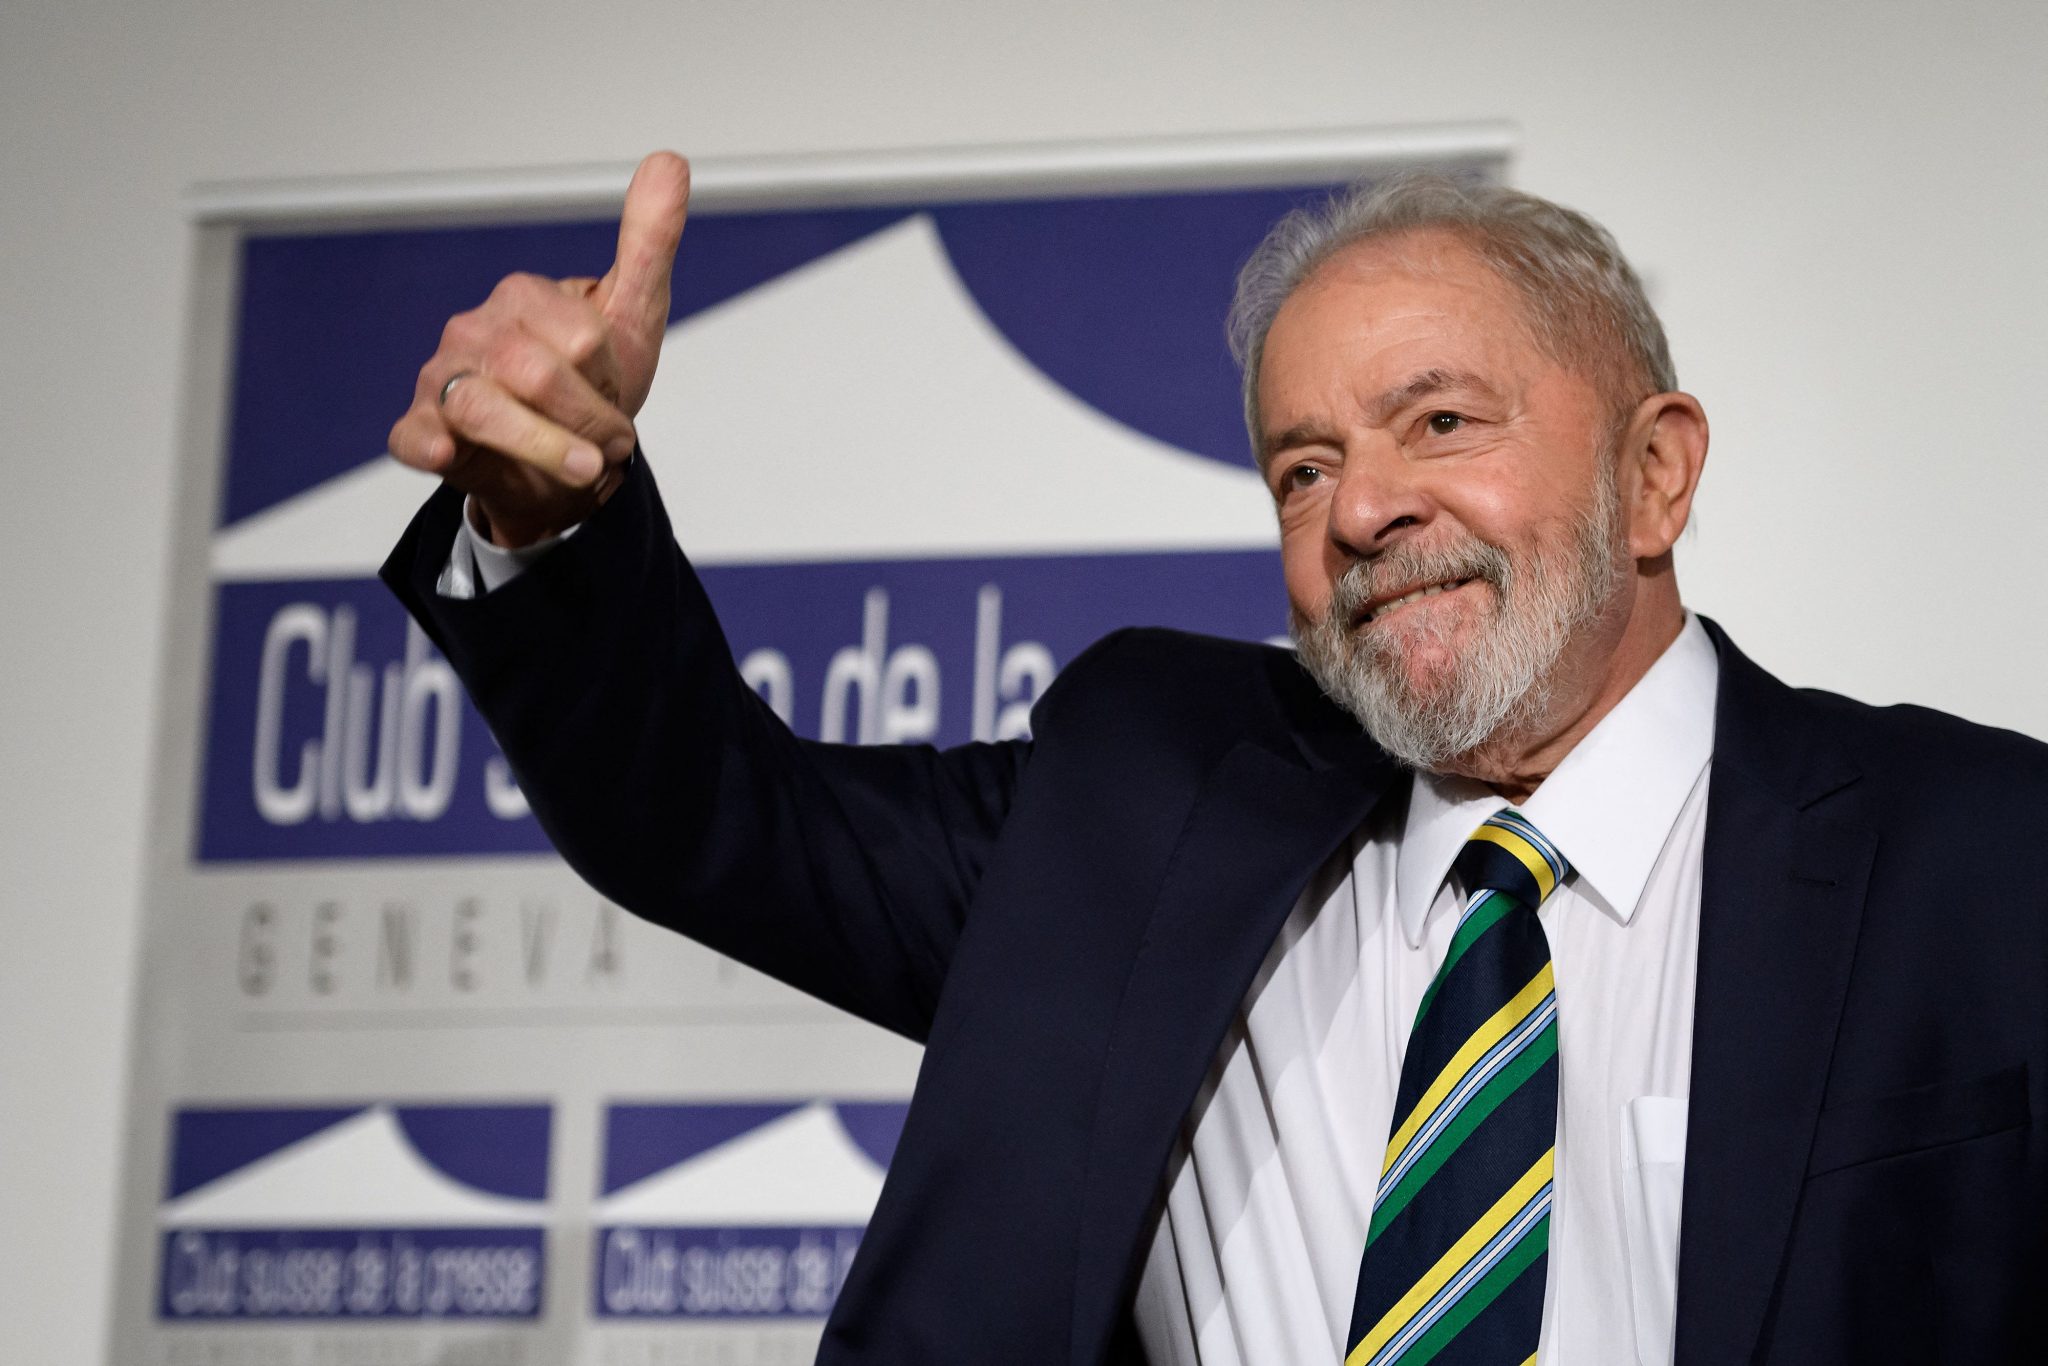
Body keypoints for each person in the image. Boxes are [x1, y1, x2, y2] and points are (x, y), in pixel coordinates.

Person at [383, 151, 2048, 1365]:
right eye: (1302, 469)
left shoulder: (1987, 858)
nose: (1363, 509)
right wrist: (555, 517)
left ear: (1657, 474)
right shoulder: (1143, 792)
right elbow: (717, 817)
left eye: (1440, 421)